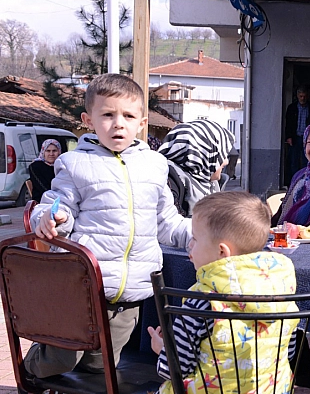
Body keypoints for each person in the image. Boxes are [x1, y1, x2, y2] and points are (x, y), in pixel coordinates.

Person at [26, 73, 191, 379]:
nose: (118, 123)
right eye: (108, 114)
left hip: (129, 293)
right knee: (63, 360)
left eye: (128, 116)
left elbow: (167, 222)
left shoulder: (154, 165)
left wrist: (199, 235)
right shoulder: (74, 163)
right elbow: (55, 204)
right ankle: (30, 372)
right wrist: (50, 218)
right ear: (88, 120)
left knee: (100, 369)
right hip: (83, 284)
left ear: (141, 123)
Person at [148, 191, 298, 394]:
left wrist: (162, 349)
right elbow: (287, 354)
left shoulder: (202, 301)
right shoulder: (283, 295)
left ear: (222, 252)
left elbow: (174, 369)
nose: (189, 245)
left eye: (195, 239)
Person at [158, 119, 235, 217]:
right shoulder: (169, 182)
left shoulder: (209, 183)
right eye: (221, 154)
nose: (226, 162)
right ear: (203, 152)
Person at [285, 85, 310, 183]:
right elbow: (288, 123)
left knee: (306, 161)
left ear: (307, 96)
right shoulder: (292, 107)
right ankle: (295, 181)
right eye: (301, 96)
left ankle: (305, 181)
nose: (303, 98)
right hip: (295, 137)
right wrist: (288, 137)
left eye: (304, 96)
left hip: (307, 138)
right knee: (294, 161)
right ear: (297, 96)